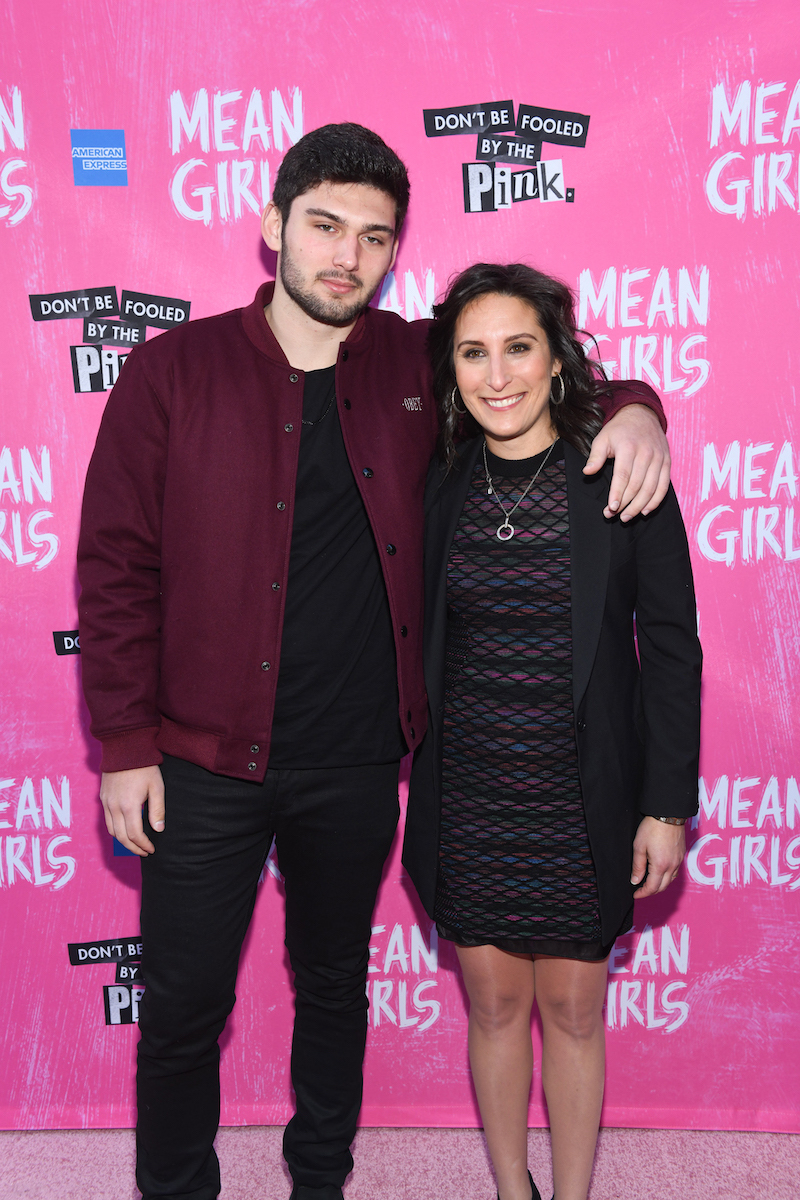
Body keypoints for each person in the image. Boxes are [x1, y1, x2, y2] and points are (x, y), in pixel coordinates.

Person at [77, 125, 671, 1200]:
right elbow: (115, 566)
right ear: (271, 229)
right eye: (323, 226)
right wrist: (124, 743)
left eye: (374, 237)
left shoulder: (410, 358)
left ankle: (319, 1183)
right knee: (179, 1012)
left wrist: (641, 414)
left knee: (334, 991)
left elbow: (544, 369)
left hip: (355, 763)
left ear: (394, 253)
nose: (346, 254)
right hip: (200, 760)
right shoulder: (171, 370)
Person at [403, 263, 701, 1200]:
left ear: (558, 360)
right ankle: (511, 1191)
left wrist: (665, 807)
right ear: (449, 369)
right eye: (473, 353)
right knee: (492, 1006)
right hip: (472, 794)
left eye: (519, 348)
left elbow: (673, 650)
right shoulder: (437, 480)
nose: (498, 376)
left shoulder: (622, 469)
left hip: (582, 795)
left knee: (574, 1012)